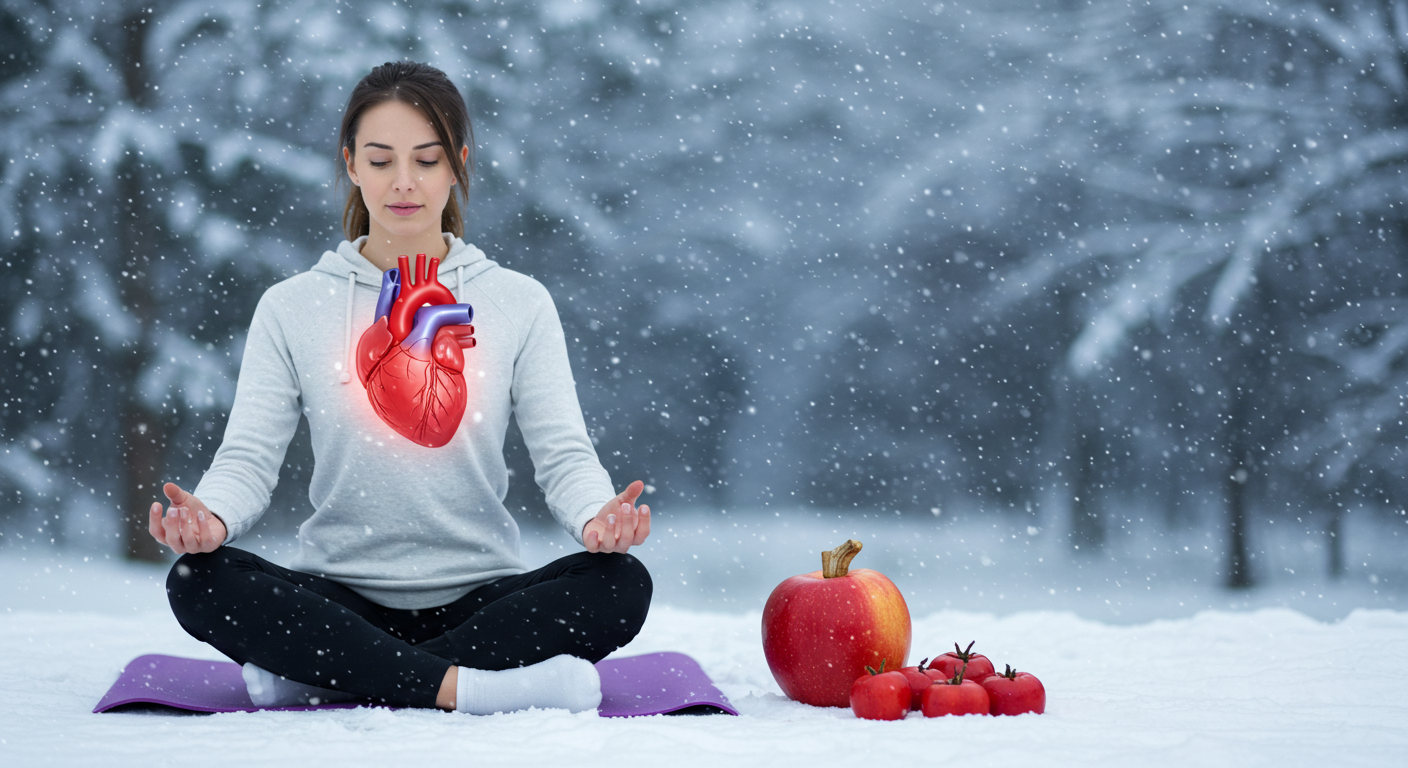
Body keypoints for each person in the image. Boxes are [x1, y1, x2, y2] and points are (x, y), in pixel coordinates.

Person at [149, 61, 653, 714]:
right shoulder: (292, 306)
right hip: (336, 594)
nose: (405, 183)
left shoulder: (518, 302)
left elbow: (562, 452)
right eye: (382, 160)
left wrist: (596, 517)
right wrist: (209, 517)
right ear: (351, 164)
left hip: (481, 595)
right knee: (198, 580)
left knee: (620, 584)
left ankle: (332, 673)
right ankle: (460, 687)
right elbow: (248, 456)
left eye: (426, 159)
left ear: (458, 165)